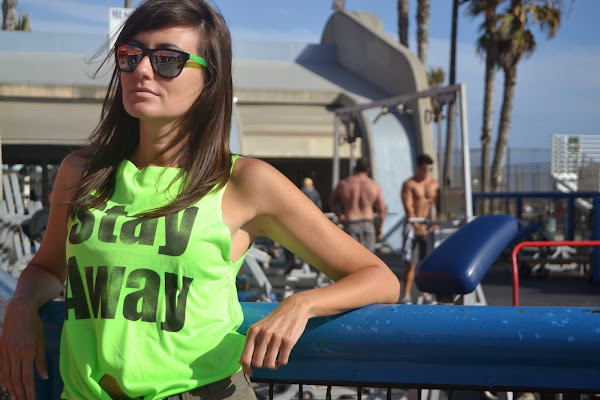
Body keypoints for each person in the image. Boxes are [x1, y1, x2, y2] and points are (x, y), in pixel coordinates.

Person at [0, 1, 400, 399]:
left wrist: (302, 304)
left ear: (209, 78)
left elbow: (378, 277)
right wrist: (21, 303)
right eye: (130, 55)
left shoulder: (244, 182)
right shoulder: (81, 172)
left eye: (167, 60)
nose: (142, 70)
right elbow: (47, 269)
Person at [400, 154, 440, 305]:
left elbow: (438, 206)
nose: (427, 172)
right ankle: (406, 294)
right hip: (413, 226)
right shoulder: (409, 184)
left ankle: (425, 294)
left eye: (430, 169)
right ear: (417, 167)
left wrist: (436, 222)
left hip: (427, 227)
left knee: (427, 263)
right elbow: (408, 207)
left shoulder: (434, 184)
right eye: (424, 169)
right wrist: (416, 226)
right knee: (411, 263)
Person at [329, 157, 386, 253]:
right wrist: (380, 227)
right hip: (368, 223)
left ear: (354, 168)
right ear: (368, 169)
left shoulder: (344, 184)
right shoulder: (374, 186)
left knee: (351, 257)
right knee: (368, 258)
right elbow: (382, 209)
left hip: (351, 223)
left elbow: (332, 203)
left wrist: (341, 216)